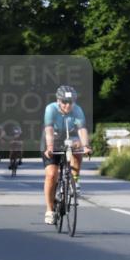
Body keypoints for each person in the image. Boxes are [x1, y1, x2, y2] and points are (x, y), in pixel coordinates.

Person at [42, 85, 91, 224]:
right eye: (64, 102)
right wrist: (50, 147)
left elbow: (81, 129)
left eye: (71, 102)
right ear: (58, 100)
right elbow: (49, 129)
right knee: (51, 175)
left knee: (78, 145)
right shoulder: (50, 109)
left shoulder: (77, 110)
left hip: (70, 135)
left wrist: (86, 146)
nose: (68, 105)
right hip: (52, 137)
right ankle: (50, 210)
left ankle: (74, 179)